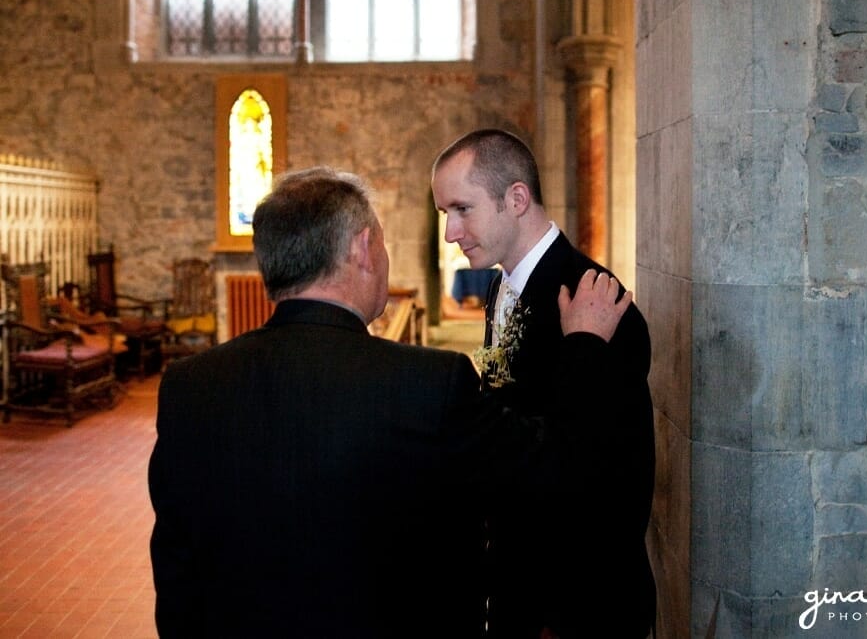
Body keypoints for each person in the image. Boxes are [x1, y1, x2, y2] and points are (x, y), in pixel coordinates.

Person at [148, 166, 631, 638]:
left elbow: (174, 570)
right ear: (362, 248)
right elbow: (557, 467)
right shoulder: (427, 385)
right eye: (380, 241)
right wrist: (585, 345)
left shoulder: (188, 388)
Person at [432, 129, 656, 638]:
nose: (450, 231)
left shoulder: (593, 302)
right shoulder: (500, 286)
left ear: (516, 198)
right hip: (519, 584)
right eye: (446, 213)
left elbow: (605, 476)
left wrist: (557, 618)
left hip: (578, 604)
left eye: (462, 209)